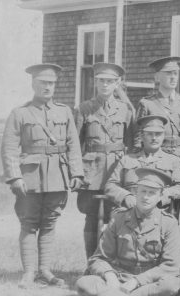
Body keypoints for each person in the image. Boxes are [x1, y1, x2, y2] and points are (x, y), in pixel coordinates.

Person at [2, 63, 84, 287]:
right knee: (28, 223)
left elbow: (73, 145)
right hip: (30, 177)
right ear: (33, 84)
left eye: (51, 83)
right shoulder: (20, 113)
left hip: (58, 175)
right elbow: (9, 148)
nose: (47, 87)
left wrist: (76, 172)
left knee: (49, 223)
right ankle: (29, 272)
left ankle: (46, 270)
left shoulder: (64, 111)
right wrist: (15, 176)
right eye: (43, 83)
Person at [75, 168, 180, 296]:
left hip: (148, 282)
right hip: (119, 278)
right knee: (84, 282)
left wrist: (137, 281)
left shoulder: (169, 223)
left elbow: (170, 266)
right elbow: (98, 258)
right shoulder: (118, 218)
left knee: (171, 285)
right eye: (143, 191)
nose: (146, 197)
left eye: (152, 193)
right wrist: (109, 275)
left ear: (160, 196)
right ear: (135, 193)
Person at [74, 62, 134, 257]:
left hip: (117, 171)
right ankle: (91, 261)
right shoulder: (84, 108)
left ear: (117, 84)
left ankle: (113, 260)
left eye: (110, 81)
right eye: (102, 81)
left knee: (117, 216)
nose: (105, 85)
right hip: (92, 171)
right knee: (92, 218)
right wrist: (77, 172)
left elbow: (132, 144)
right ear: (96, 82)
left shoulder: (126, 110)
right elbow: (75, 145)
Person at [104, 115, 180, 211]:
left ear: (163, 136)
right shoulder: (126, 160)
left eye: (158, 134)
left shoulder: (173, 160)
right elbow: (110, 185)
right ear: (142, 136)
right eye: (150, 134)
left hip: (159, 211)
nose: (154, 138)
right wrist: (126, 196)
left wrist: (162, 196)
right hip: (129, 210)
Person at [137, 56, 180, 180]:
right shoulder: (147, 104)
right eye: (168, 73)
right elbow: (138, 140)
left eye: (175, 73)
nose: (173, 77)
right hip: (158, 160)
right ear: (157, 77)